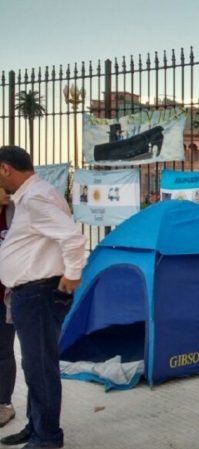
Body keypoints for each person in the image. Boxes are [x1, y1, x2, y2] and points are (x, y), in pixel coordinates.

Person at [0, 146, 87, 449]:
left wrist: (72, 274)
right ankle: (36, 425)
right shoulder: (32, 195)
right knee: (34, 365)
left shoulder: (35, 198)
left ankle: (47, 437)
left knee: (40, 367)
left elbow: (72, 238)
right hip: (32, 293)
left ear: (5, 169)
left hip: (38, 293)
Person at [0, 188, 15, 428]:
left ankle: (4, 404)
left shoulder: (15, 213)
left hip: (6, 296)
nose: (7, 193)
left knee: (3, 350)